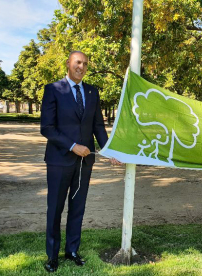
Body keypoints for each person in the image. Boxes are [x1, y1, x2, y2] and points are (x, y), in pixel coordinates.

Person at [40, 51, 121, 272]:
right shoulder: (53, 89)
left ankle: (72, 250)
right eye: (78, 62)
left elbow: (97, 126)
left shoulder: (93, 92)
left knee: (78, 207)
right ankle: (53, 255)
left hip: (85, 162)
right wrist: (72, 146)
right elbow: (47, 128)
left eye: (85, 64)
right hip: (59, 160)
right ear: (68, 63)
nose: (81, 67)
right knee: (55, 209)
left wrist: (110, 151)